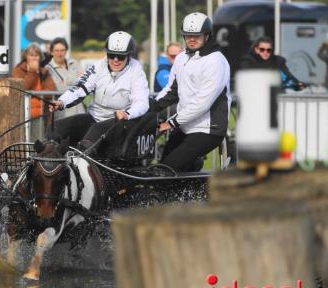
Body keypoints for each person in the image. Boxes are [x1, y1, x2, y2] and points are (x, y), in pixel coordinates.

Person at [48, 31, 149, 156]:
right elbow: (81, 87)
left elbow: (142, 102)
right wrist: (61, 102)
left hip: (119, 122)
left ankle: (81, 170)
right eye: (111, 55)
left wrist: (127, 114)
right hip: (94, 117)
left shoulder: (136, 71)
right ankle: (51, 168)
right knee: (56, 128)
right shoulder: (98, 66)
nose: (115, 60)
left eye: (121, 56)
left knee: (93, 134)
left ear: (129, 55)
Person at [153, 12, 231, 172]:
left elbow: (202, 103)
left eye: (197, 35)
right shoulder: (181, 58)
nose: (192, 39)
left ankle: (189, 191)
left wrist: (172, 122)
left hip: (209, 129)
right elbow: (171, 91)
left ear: (207, 35)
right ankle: (189, 188)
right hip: (185, 125)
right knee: (162, 165)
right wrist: (150, 108)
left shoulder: (216, 60)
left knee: (166, 169)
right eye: (188, 35)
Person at [240, 36, 305, 91]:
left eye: (268, 50)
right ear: (256, 49)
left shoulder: (277, 61)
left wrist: (298, 84)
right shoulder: (248, 61)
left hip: (275, 94)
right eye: (262, 49)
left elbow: (288, 76)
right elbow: (248, 81)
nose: (265, 52)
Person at [12, 43, 56, 119]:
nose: (34, 58)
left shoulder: (44, 71)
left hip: (42, 114)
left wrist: (32, 93)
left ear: (40, 57)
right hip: (23, 114)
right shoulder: (18, 69)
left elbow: (51, 91)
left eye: (36, 55)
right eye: (31, 55)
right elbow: (21, 89)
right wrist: (32, 72)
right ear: (26, 56)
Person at [46, 37, 85, 118]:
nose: (60, 54)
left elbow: (84, 82)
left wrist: (66, 81)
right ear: (51, 52)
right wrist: (76, 82)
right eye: (56, 51)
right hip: (63, 114)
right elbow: (60, 88)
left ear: (66, 51)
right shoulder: (48, 69)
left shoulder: (74, 63)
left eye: (62, 50)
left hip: (80, 111)